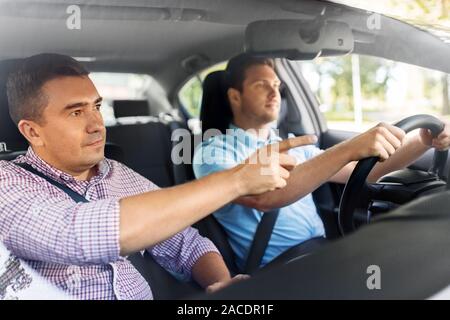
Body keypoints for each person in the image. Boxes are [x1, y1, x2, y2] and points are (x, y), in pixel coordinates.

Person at [0, 53, 314, 299]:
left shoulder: (118, 174)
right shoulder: (8, 184)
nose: (97, 124)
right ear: (32, 131)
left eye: (96, 106)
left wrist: (222, 283)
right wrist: (237, 180)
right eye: (76, 112)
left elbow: (185, 242)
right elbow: (78, 235)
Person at [192, 53, 450, 271]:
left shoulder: (293, 143)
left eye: (276, 84)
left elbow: (370, 172)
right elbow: (264, 199)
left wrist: (423, 140)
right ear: (235, 97)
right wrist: (349, 148)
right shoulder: (213, 152)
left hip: (324, 252)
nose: (274, 92)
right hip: (278, 270)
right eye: (261, 85)